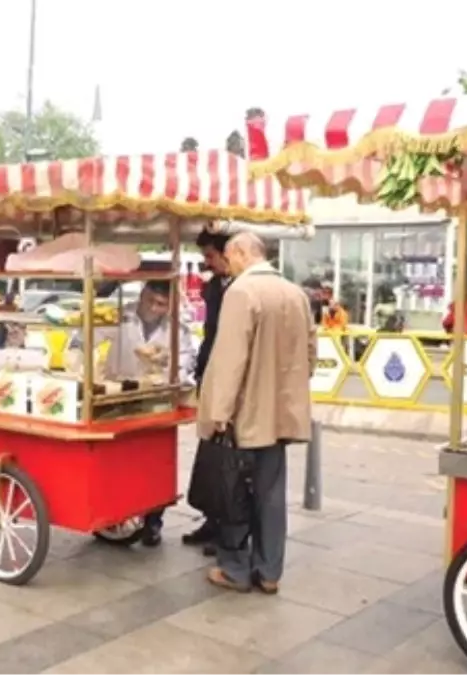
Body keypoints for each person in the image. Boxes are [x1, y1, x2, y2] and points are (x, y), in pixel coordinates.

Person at [200, 232, 314, 594]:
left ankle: (234, 568)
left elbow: (230, 359)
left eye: (230, 256)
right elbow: (310, 352)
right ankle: (269, 572)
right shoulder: (295, 294)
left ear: (241, 253)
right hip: (281, 413)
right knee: (271, 491)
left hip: (245, 414)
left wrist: (219, 410)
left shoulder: (241, 293)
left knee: (233, 490)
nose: (227, 264)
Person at [75, 279, 195, 546]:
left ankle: (153, 521)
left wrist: (169, 365)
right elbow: (86, 338)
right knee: (116, 463)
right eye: (150, 300)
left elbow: (186, 362)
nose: (155, 308)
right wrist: (79, 356)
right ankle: (112, 514)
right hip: (117, 398)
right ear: (142, 295)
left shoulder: (178, 328)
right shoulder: (120, 316)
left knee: (154, 465)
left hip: (156, 402)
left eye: (162, 305)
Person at [184, 230, 231, 556]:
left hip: (227, 378)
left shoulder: (241, 290)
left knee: (227, 459)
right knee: (209, 455)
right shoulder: (213, 286)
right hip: (208, 372)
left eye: (211, 256)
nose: (206, 262)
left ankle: (227, 527)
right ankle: (211, 518)